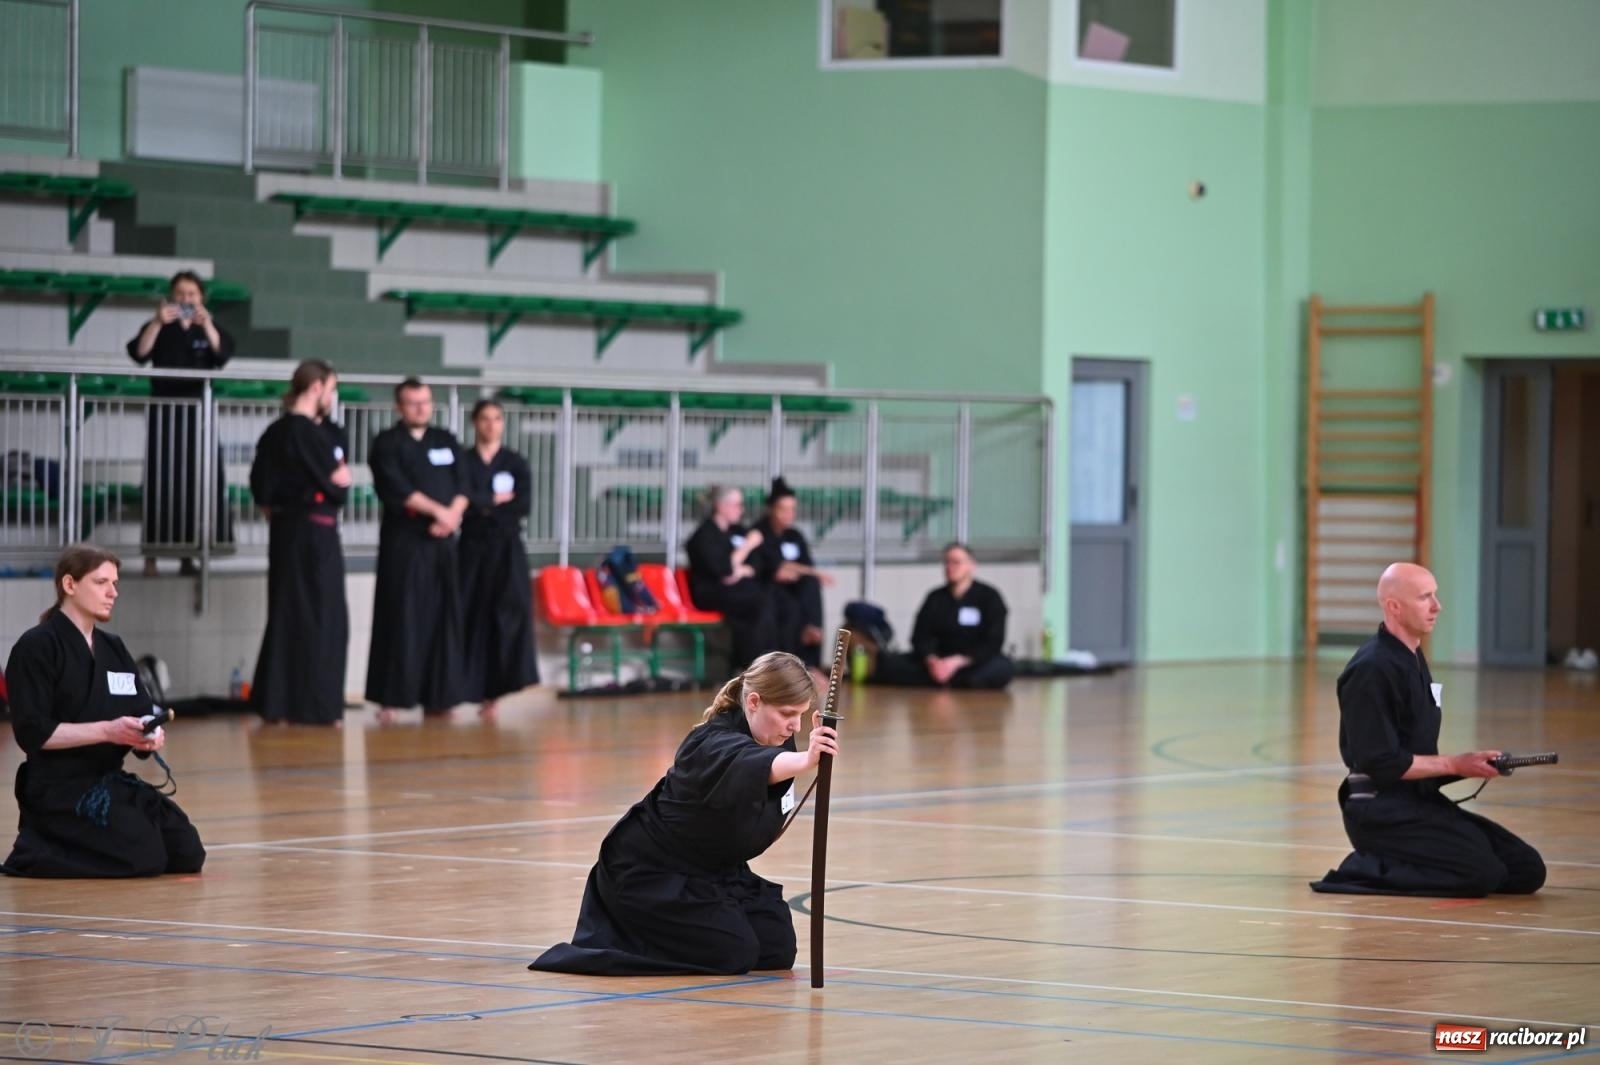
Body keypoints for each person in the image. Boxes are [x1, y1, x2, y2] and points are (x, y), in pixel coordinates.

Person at [530, 652, 839, 975]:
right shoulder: (708, 744)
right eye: (788, 713)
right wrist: (806, 761)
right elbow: (749, 764)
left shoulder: (779, 740)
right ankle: (625, 935)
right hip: (649, 871)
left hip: (713, 872)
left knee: (777, 946)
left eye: (802, 715)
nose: (795, 726)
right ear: (754, 702)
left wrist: (805, 756)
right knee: (734, 952)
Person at [1311, 563, 1545, 897]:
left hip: (1419, 802)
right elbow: (1383, 763)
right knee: (1482, 875)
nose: (1438, 605)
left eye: (1435, 595)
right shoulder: (1371, 670)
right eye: (1425, 597)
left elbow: (1415, 752)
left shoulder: (1412, 656)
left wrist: (1472, 765)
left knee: (1526, 869)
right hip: (1379, 813)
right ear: (1394, 606)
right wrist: (1454, 764)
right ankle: (1365, 866)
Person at [1, 545, 205, 877]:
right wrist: (107, 731)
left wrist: (148, 733)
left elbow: (141, 708)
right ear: (70, 585)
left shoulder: (113, 647)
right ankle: (38, 848)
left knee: (187, 851)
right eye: (101, 582)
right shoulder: (36, 647)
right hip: (58, 789)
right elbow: (32, 732)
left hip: (107, 782)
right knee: (146, 855)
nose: (113, 592)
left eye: (115, 582)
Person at [248, 360, 352, 726]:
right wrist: (335, 484)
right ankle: (317, 706)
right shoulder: (303, 433)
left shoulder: (277, 432)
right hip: (313, 535)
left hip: (286, 532)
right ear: (316, 388)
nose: (333, 396)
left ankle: (279, 704)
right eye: (331, 387)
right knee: (323, 617)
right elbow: (336, 488)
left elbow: (261, 489)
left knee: (288, 612)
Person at [365, 378, 470, 718]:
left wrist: (452, 515)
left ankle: (440, 697)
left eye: (425, 401)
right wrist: (437, 511)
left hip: (445, 540)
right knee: (401, 615)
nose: (421, 407)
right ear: (399, 407)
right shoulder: (387, 443)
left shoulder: (446, 441)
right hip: (406, 540)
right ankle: (392, 698)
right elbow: (395, 486)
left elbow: (464, 482)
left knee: (445, 617)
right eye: (413, 402)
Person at [126, 270, 235, 577]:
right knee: (161, 482)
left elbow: (223, 354)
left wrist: (208, 323)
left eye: (192, 294)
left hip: (199, 417)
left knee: (197, 482)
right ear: (171, 297)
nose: (186, 299)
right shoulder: (160, 325)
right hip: (165, 413)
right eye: (181, 294)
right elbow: (138, 352)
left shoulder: (207, 329)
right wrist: (158, 321)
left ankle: (190, 554)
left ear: (201, 298)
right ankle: (153, 557)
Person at [459, 398, 539, 716]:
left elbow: (522, 506)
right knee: (469, 613)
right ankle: (465, 687)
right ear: (475, 423)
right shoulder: (464, 461)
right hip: (472, 549)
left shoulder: (515, 462)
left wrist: (483, 505)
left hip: (507, 549)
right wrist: (493, 501)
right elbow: (462, 498)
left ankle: (495, 693)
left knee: (506, 612)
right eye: (485, 419)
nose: (491, 425)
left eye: (497, 419)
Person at [685, 485, 798, 673]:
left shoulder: (736, 531)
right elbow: (722, 570)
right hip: (710, 593)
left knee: (783, 602)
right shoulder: (703, 536)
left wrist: (740, 570)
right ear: (721, 506)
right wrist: (745, 548)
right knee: (759, 603)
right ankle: (755, 668)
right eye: (738, 505)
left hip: (737, 589)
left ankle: (783, 663)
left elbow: (755, 563)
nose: (741, 510)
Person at [871, 542, 1014, 689]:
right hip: (937, 662)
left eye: (956, 562)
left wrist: (957, 661)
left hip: (971, 662)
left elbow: (993, 641)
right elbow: (920, 636)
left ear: (971, 565)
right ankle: (949, 679)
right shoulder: (935, 597)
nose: (950, 567)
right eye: (947, 562)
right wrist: (932, 660)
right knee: (890, 665)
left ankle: (951, 679)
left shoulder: (990, 597)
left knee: (1001, 668)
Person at [752, 477, 834, 673]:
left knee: (811, 584)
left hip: (795, 587)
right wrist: (803, 570)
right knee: (790, 607)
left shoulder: (794, 535)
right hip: (770, 589)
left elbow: (802, 566)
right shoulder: (760, 532)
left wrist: (802, 571)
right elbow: (776, 567)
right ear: (772, 509)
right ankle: (793, 667)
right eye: (784, 509)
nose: (789, 515)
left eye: (792, 509)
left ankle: (812, 633)